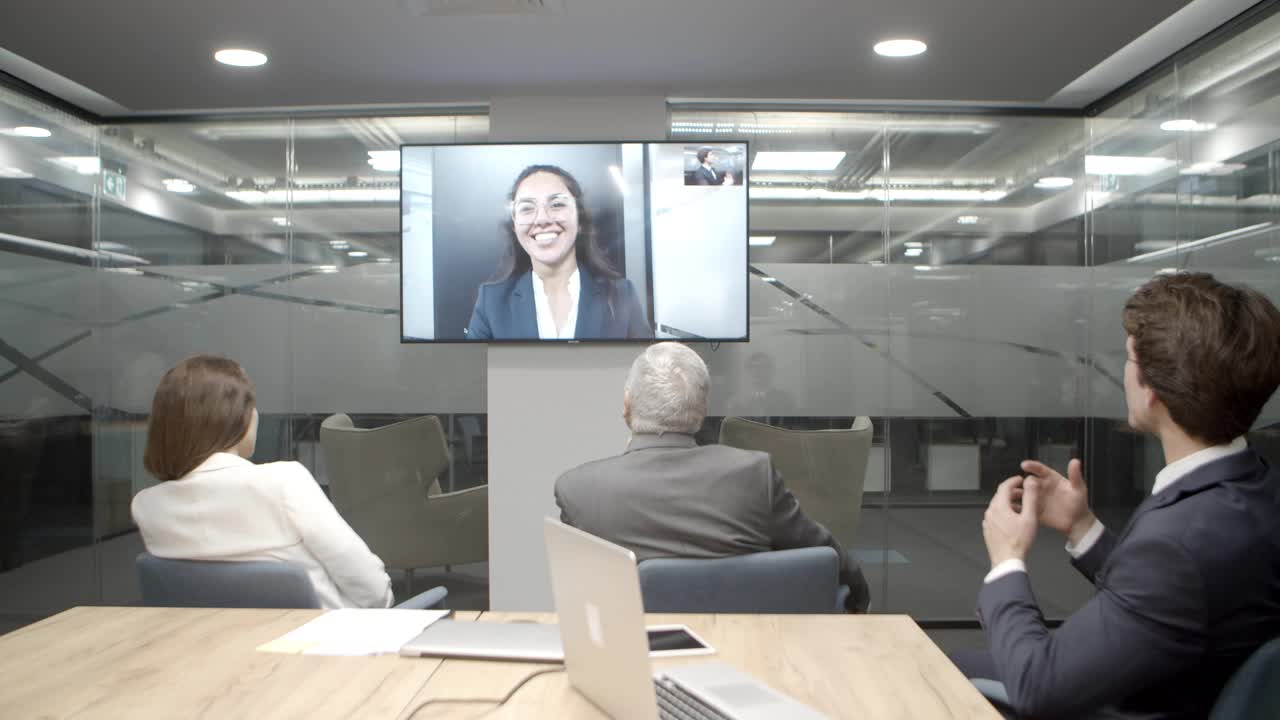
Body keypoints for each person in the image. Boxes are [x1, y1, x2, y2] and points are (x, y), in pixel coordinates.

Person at [957, 272, 1280, 719]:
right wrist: (1082, 527)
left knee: (920, 668)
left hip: (1131, 703)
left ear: (1152, 393)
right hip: (1174, 681)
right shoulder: (1255, 487)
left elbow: (1038, 687)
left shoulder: (1177, 543)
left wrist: (1007, 559)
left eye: (1128, 359)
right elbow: (1174, 600)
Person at [554, 342, 871, 612]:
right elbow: (824, 552)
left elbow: (583, 602)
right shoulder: (752, 475)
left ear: (627, 406)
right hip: (748, 655)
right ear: (702, 409)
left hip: (634, 665)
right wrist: (860, 596)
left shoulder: (578, 491)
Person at [131, 354, 394, 609]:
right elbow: (373, 590)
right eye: (251, 406)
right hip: (324, 645)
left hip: (219, 646)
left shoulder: (147, 506)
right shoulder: (283, 482)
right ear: (236, 418)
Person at [466, 164, 652, 340]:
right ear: (514, 227)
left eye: (556, 204)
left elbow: (645, 368)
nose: (542, 219)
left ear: (580, 221)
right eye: (527, 208)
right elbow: (471, 370)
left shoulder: (621, 294)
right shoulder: (490, 301)